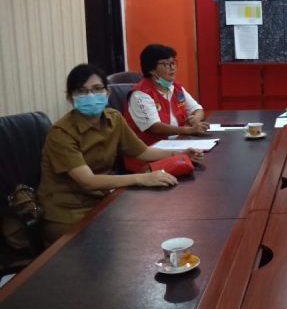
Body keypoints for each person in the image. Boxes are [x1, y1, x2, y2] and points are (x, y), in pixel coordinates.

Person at [37, 64, 204, 244]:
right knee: (132, 238)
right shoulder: (61, 133)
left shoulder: (113, 118)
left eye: (97, 89)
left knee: (157, 220)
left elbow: (142, 151)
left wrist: (178, 153)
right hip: (69, 213)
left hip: (103, 200)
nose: (91, 96)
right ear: (70, 98)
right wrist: (142, 178)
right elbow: (88, 181)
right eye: (82, 91)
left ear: (107, 93)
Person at [124, 44, 208, 171]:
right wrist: (189, 130)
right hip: (148, 159)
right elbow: (154, 127)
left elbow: (198, 109)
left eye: (173, 63)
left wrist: (195, 120)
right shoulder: (141, 94)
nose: (172, 68)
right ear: (152, 70)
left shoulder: (175, 88)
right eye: (166, 64)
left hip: (175, 147)